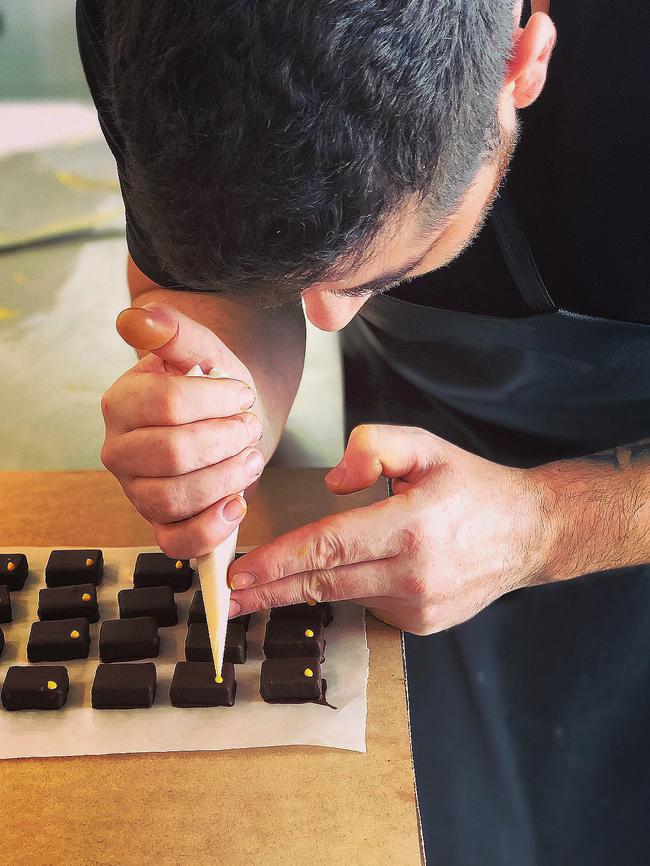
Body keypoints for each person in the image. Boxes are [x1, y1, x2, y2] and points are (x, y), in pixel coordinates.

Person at [77, 1, 650, 862]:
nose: (327, 321)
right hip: (416, 459)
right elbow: (218, 289)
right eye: (301, 278)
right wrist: (228, 401)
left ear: (521, 61)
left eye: (378, 273)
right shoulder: (145, 24)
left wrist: (550, 522)